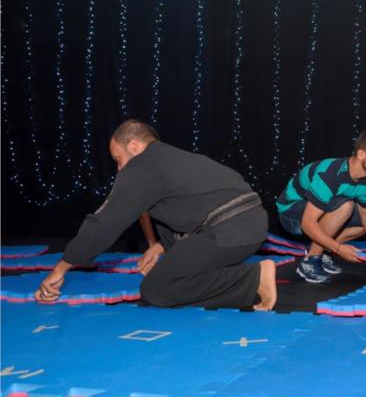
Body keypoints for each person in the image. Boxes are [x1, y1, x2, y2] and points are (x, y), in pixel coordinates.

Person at [35, 120, 276, 310]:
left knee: (157, 289)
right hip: (247, 226)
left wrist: (62, 267)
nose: (119, 168)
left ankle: (252, 279)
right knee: (173, 273)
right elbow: (190, 209)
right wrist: (160, 247)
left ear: (134, 147)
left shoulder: (143, 165)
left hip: (231, 230)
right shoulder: (170, 159)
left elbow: (106, 220)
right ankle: (250, 278)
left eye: (118, 159)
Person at [276, 129, 366, 283]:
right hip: (289, 213)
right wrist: (338, 248)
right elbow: (307, 223)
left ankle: (322, 250)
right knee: (345, 206)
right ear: (361, 154)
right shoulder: (330, 175)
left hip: (318, 211)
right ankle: (310, 261)